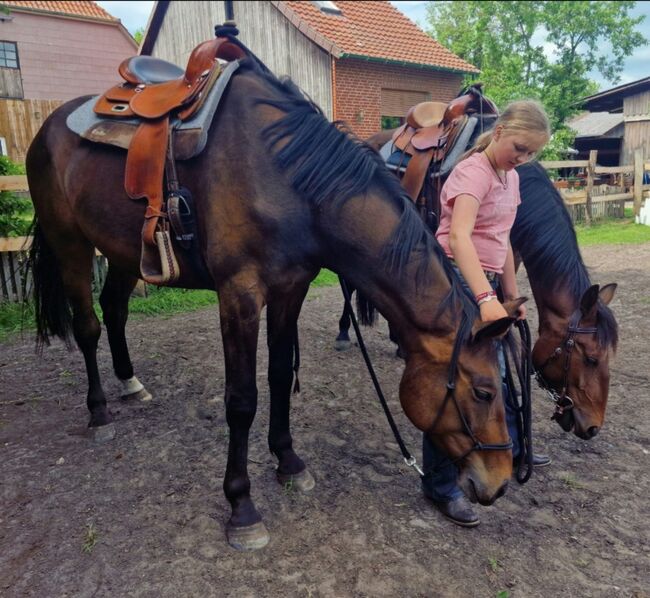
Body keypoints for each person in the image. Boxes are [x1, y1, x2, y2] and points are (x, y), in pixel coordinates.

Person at [422, 99, 552, 527]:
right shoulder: (472, 172)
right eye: (520, 147)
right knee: (457, 381)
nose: (523, 158)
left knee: (502, 372)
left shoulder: (509, 177)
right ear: (499, 132)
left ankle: (508, 445)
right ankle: (440, 484)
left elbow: (504, 238)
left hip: (487, 283)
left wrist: (511, 296)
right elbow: (460, 238)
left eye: (531, 153)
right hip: (457, 281)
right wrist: (484, 298)